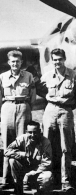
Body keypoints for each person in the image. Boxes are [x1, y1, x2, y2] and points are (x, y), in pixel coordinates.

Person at [37, 48, 76, 192]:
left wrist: (69, 105)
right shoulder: (47, 76)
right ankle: (47, 178)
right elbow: (40, 90)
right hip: (50, 110)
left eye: (59, 59)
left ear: (64, 59)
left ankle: (65, 180)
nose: (57, 62)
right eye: (54, 59)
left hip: (66, 111)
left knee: (66, 147)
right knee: (47, 145)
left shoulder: (73, 75)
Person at [0, 50, 36, 189]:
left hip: (23, 108)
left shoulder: (28, 76)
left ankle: (22, 179)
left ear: (21, 62)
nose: (15, 64)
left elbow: (32, 96)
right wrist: (6, 108)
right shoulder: (2, 77)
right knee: (7, 144)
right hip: (8, 107)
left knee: (23, 143)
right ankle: (6, 180)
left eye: (17, 61)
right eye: (12, 61)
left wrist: (25, 107)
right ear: (9, 62)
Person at [5, 121, 53, 194]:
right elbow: (7, 151)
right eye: (30, 132)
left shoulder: (45, 142)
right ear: (26, 132)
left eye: (35, 132)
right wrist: (23, 154)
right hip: (24, 168)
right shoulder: (21, 139)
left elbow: (47, 163)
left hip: (37, 171)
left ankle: (40, 191)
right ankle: (18, 188)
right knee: (12, 161)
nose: (33, 135)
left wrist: (29, 174)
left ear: (40, 131)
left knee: (47, 176)